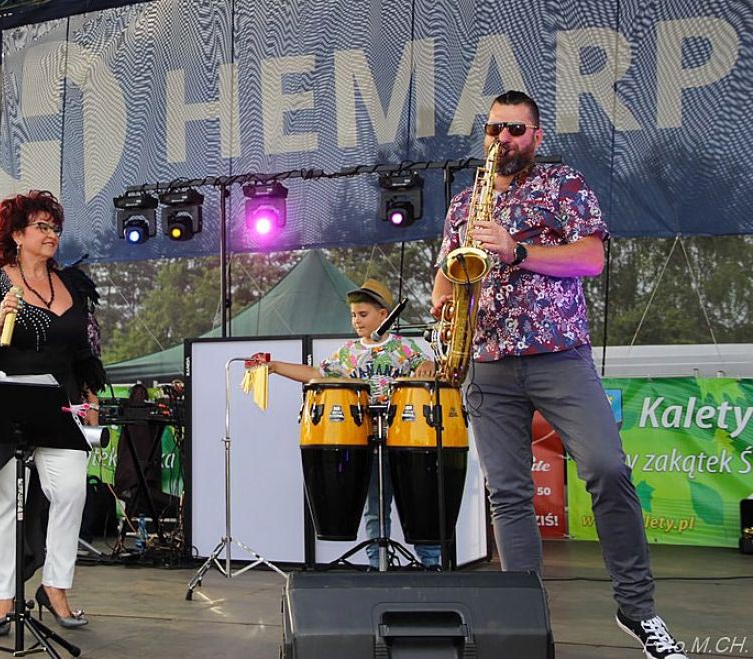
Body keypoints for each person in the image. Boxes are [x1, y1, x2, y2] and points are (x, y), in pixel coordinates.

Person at [431, 90, 687, 659]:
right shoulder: (464, 203)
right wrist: (445, 301)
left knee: (607, 469)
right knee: (508, 495)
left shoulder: (562, 184)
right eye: (495, 129)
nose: (503, 139)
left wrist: (517, 250)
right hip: (488, 362)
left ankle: (638, 609)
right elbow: (446, 275)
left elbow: (591, 259)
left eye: (515, 130)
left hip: (559, 355)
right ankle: (524, 626)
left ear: (536, 136)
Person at [0, 190, 106, 635]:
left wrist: (91, 397)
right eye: (42, 226)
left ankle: (55, 586)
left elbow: (84, 351)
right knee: (2, 504)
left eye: (55, 228)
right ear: (17, 234)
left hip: (60, 402)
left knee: (70, 491)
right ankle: (3, 599)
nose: (51, 234)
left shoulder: (72, 285)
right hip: (6, 402)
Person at [257, 278, 441, 569]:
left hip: (406, 438)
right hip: (366, 438)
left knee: (419, 499)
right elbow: (318, 374)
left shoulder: (404, 347)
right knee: (375, 506)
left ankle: (432, 563)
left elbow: (428, 369)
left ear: (384, 314)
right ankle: (378, 563)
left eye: (363, 314)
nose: (357, 321)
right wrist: (276, 366)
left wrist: (429, 364)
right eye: (353, 315)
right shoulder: (348, 352)